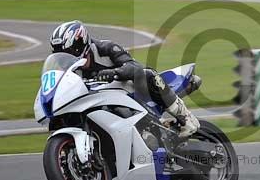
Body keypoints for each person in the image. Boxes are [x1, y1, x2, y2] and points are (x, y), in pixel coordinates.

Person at [49, 20, 200, 138]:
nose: (66, 56)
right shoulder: (66, 68)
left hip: (131, 93)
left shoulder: (106, 48)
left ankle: (187, 119)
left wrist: (114, 72)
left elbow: (134, 66)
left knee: (148, 74)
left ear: (80, 44)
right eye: (60, 52)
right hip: (100, 102)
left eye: (68, 51)